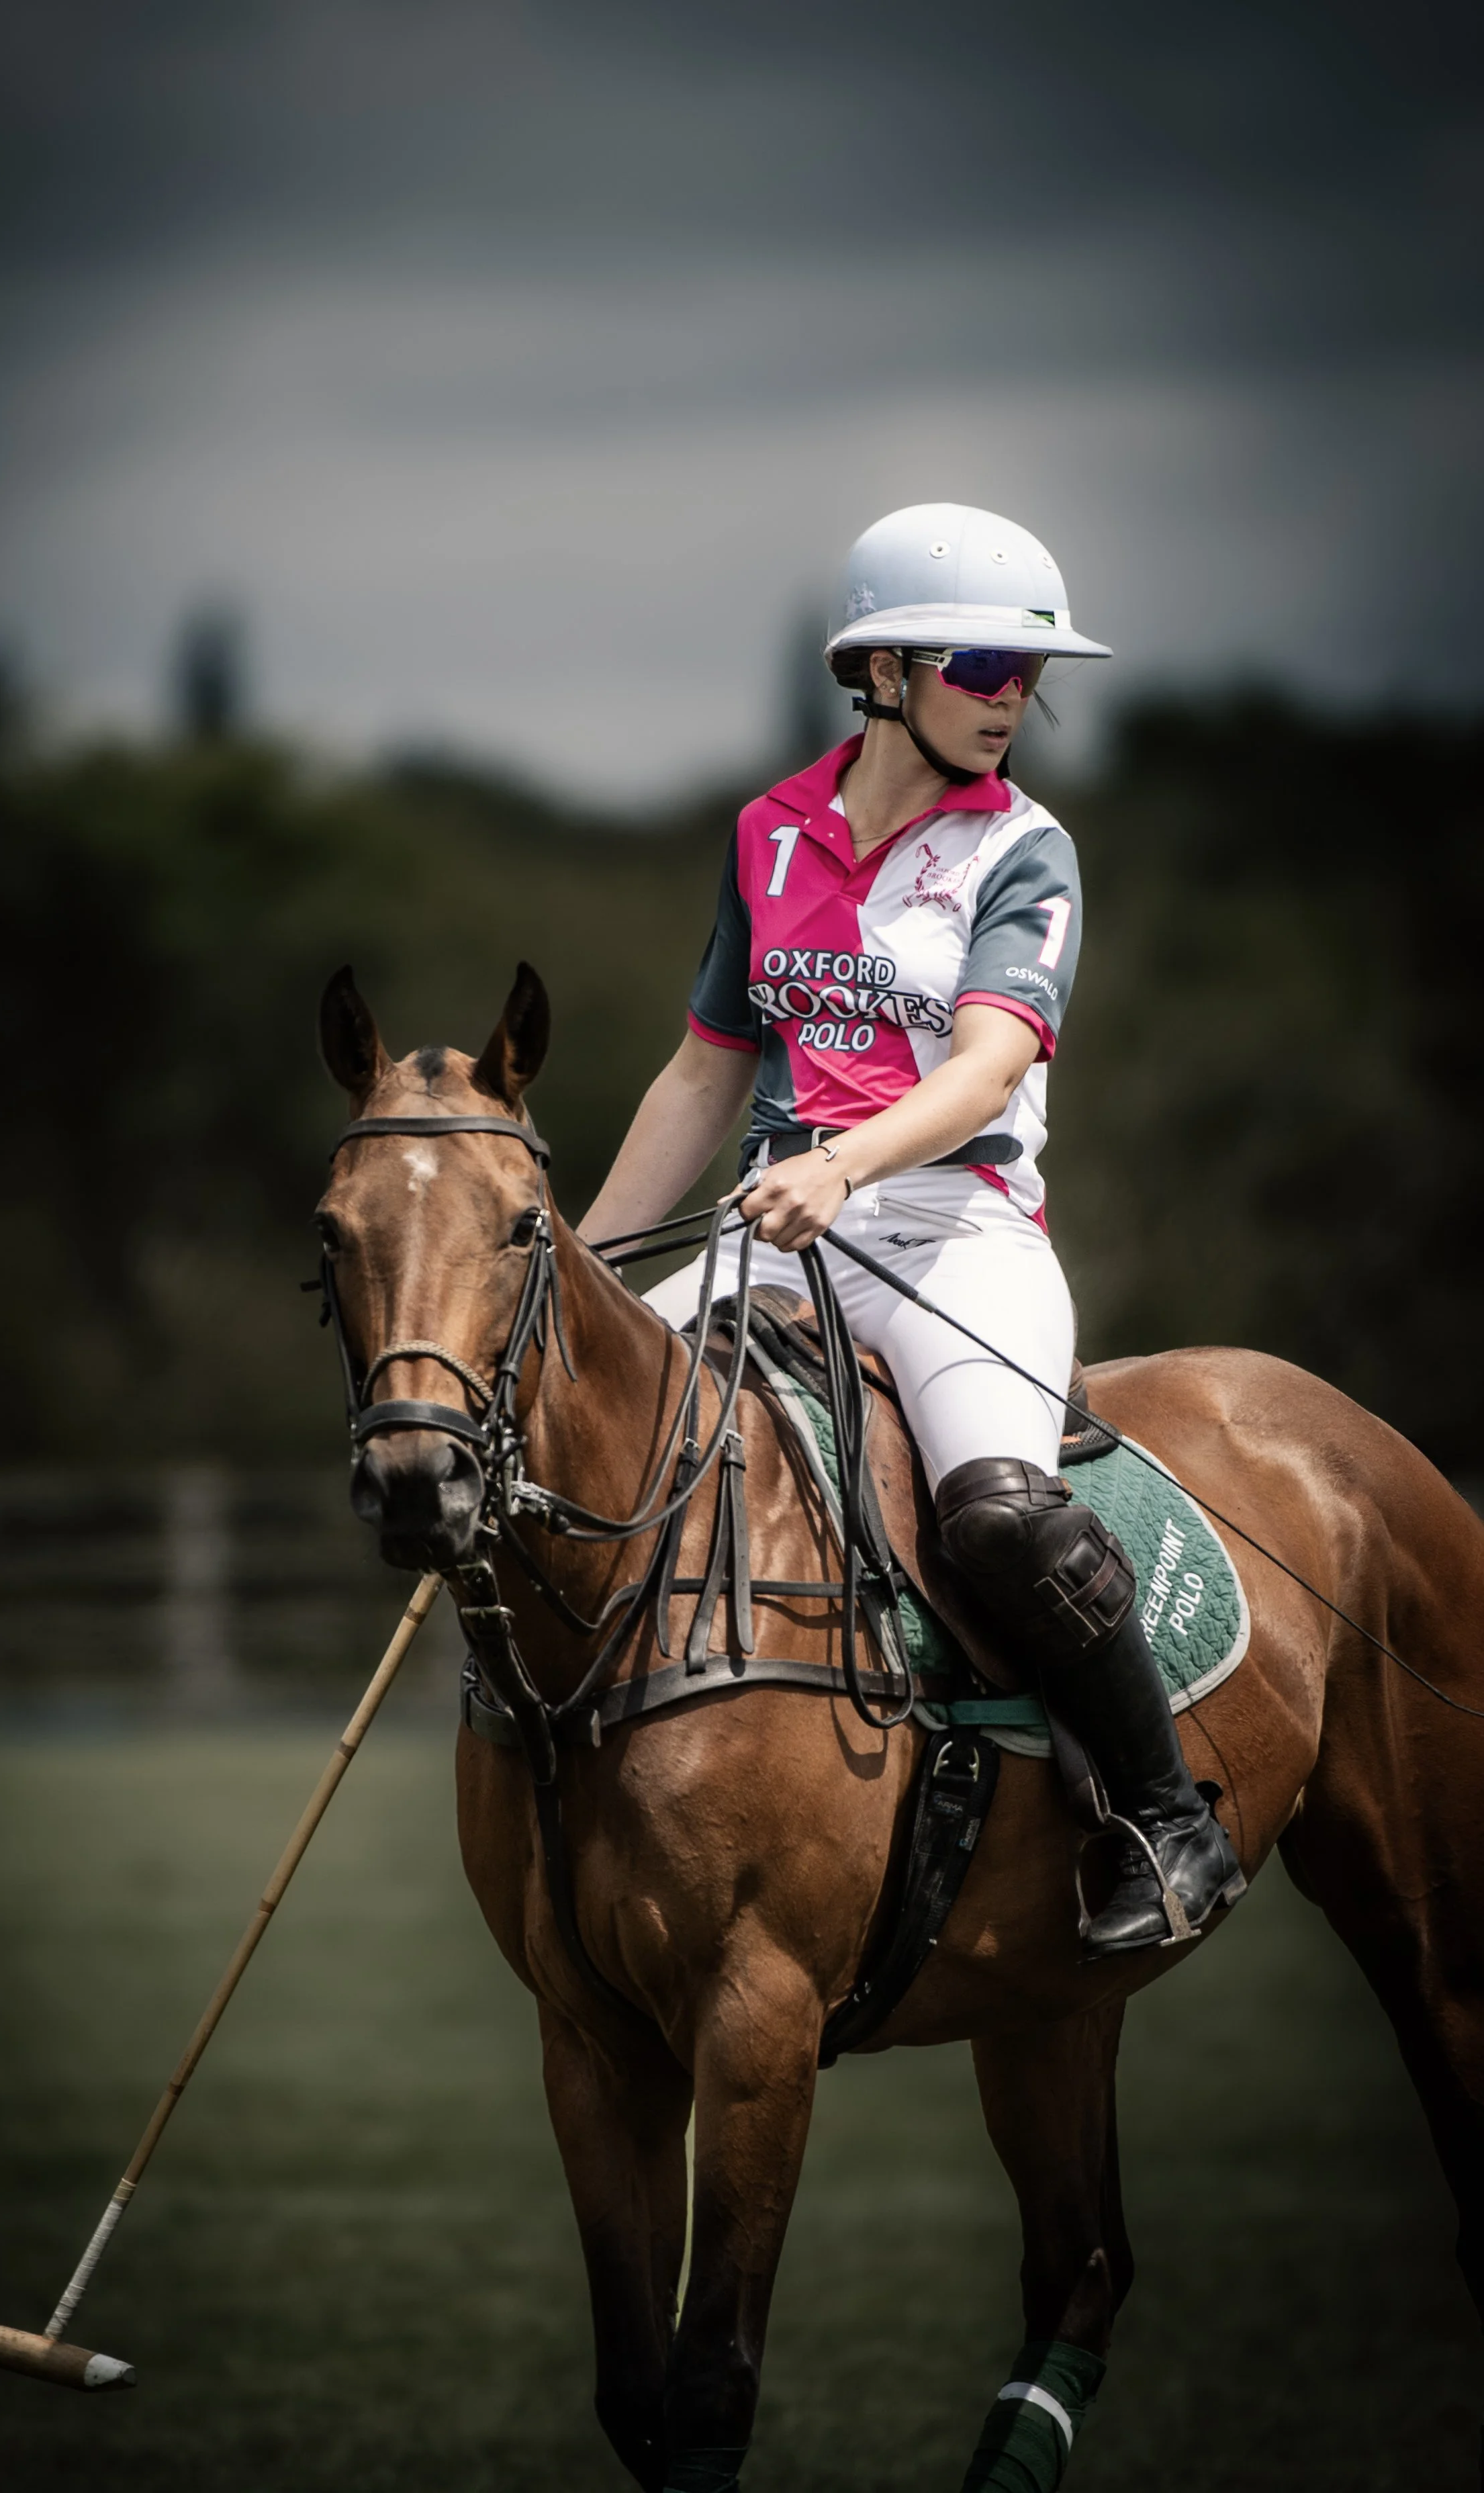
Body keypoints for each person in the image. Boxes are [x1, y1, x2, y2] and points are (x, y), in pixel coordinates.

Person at [579, 501, 1242, 1956]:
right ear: (881, 671)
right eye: (980, 667)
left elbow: (989, 1069)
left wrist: (841, 1166)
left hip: (959, 1235)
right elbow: (702, 1072)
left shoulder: (1026, 848)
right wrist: (577, 1269)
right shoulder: (766, 833)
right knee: (576, 1432)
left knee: (999, 1508)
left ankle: (1165, 1814)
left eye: (1027, 674)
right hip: (774, 1225)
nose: (1013, 700)